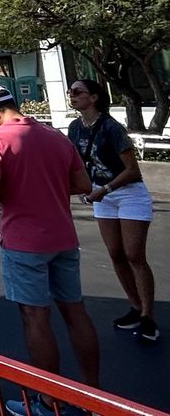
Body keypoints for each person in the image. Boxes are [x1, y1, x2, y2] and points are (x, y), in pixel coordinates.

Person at [0, 84, 100, 416]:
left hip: (24, 243)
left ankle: (49, 402)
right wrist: (47, 183)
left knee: (36, 319)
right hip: (63, 238)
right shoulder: (55, 136)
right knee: (76, 313)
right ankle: (95, 397)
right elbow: (83, 184)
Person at [67, 78, 158, 342]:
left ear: (94, 97)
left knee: (134, 255)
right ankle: (135, 307)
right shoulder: (75, 127)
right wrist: (83, 186)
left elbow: (132, 170)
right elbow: (76, 162)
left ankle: (148, 316)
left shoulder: (111, 127)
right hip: (102, 195)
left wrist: (105, 189)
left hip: (128, 194)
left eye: (78, 92)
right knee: (116, 254)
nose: (72, 95)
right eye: (70, 92)